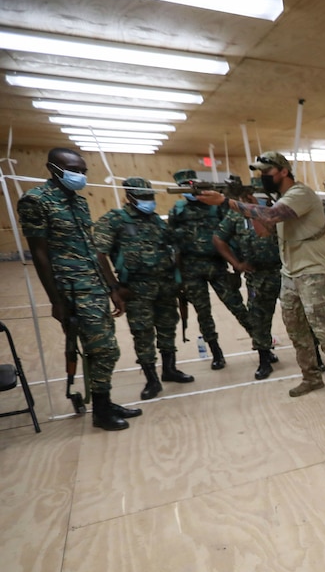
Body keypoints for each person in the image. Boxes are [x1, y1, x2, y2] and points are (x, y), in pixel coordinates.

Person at [195, 151, 325, 416]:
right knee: (296, 330)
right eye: (261, 173)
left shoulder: (301, 194)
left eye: (267, 173)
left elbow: (271, 216)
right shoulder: (282, 200)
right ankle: (312, 377)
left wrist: (228, 202)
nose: (264, 178)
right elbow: (265, 230)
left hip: (314, 273)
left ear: (283, 171)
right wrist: (250, 208)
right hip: (290, 273)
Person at [18, 148, 143, 429]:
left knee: (104, 349)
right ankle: (101, 412)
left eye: (83, 171)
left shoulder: (79, 203)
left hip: (93, 286)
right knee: (103, 350)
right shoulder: (36, 201)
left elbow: (91, 249)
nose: (80, 175)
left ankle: (104, 401)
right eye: (74, 169)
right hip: (71, 290)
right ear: (53, 168)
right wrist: (56, 301)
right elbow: (39, 253)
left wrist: (111, 287)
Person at [93, 177, 194, 399]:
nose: (148, 201)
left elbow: (174, 247)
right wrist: (114, 287)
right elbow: (99, 253)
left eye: (150, 197)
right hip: (136, 289)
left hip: (165, 286)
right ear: (129, 197)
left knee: (168, 327)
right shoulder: (115, 220)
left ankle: (169, 369)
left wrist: (179, 279)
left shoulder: (157, 221)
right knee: (142, 332)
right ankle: (152, 380)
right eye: (143, 197)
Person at [168, 168, 254, 370]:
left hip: (216, 264)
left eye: (193, 185)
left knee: (236, 305)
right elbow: (173, 244)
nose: (191, 190)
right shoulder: (178, 210)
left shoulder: (216, 206)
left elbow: (232, 233)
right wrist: (177, 277)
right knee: (203, 312)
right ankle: (216, 353)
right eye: (186, 187)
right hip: (191, 268)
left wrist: (237, 265)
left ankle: (261, 345)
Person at [213, 183, 282, 380]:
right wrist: (236, 263)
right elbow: (219, 238)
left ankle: (314, 357)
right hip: (257, 274)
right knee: (258, 317)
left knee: (299, 314)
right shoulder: (237, 215)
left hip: (284, 271)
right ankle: (264, 359)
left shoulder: (279, 212)